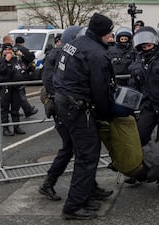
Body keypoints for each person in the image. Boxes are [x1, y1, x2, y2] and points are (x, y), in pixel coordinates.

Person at [39, 25, 113, 204]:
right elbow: (49, 81)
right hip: (63, 107)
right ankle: (48, 183)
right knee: (72, 148)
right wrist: (57, 102)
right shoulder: (58, 54)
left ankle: (90, 186)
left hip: (68, 106)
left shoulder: (70, 52)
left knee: (83, 151)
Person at [53, 13, 116, 220]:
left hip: (64, 102)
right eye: (109, 34)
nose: (111, 37)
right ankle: (73, 206)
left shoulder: (75, 43)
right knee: (87, 155)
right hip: (78, 107)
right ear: (101, 34)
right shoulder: (97, 54)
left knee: (84, 152)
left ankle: (87, 193)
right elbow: (100, 89)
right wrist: (107, 114)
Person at [0, 43, 26, 136]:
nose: (8, 51)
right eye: (6, 49)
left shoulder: (16, 59)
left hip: (15, 87)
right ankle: (5, 128)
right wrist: (5, 61)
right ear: (3, 50)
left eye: (10, 49)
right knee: (4, 108)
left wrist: (22, 57)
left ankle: (16, 127)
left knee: (15, 108)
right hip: (5, 87)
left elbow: (24, 69)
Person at [14, 36, 38, 118]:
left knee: (17, 93)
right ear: (22, 42)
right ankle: (27, 110)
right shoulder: (22, 49)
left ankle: (16, 111)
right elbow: (31, 57)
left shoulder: (12, 49)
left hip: (14, 74)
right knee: (20, 92)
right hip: (21, 73)